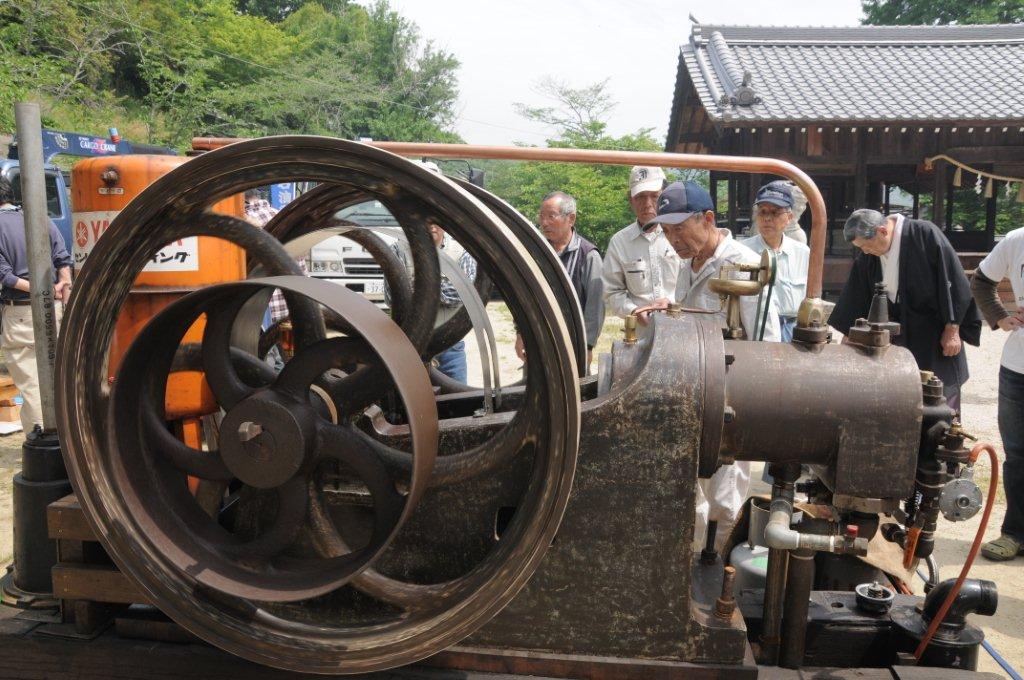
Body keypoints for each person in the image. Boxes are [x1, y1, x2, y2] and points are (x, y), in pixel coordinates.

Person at [645, 180, 779, 551]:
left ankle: (719, 571)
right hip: (694, 395)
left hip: (730, 402)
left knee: (724, 499)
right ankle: (691, 566)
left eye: (680, 229)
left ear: (707, 219)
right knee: (692, 496)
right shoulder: (690, 262)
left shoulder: (742, 265)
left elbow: (766, 346)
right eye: (667, 232)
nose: (673, 240)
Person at [829, 209, 981, 412]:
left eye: (866, 246)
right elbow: (858, 293)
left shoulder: (924, 234)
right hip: (894, 337)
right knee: (896, 396)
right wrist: (850, 333)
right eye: (860, 248)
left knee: (937, 396)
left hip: (932, 335)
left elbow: (952, 278)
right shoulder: (870, 254)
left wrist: (952, 328)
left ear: (882, 231)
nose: (865, 252)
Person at [0, 177, 72, 434]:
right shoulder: (39, 218)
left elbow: (6, 276)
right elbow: (63, 259)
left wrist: (38, 290)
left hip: (21, 313)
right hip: (53, 309)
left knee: (32, 384)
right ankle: (69, 441)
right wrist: (60, 285)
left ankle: (47, 445)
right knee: (58, 378)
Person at [971, 227, 1024, 561]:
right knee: (1018, 455)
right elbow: (982, 281)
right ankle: (1015, 533)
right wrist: (1000, 317)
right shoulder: (1017, 240)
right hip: (1017, 365)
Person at [517, 191, 604, 370]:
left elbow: (595, 306)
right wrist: (520, 332)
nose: (544, 222)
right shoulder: (535, 251)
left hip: (573, 345)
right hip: (537, 341)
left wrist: (587, 346)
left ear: (571, 219)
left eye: (551, 216)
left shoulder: (588, 255)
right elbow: (523, 295)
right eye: (541, 216)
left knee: (572, 394)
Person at [602, 166, 679, 336]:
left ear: (666, 196)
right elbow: (612, 292)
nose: (647, 204)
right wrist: (634, 310)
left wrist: (673, 304)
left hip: (682, 329)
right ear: (630, 199)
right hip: (640, 334)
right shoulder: (619, 242)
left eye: (654, 196)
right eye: (641, 197)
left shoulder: (681, 233)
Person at [741, 182, 810, 342]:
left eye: (775, 212)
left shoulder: (803, 252)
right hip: (757, 331)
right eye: (762, 212)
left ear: (789, 218)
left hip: (795, 331)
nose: (767, 218)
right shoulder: (742, 251)